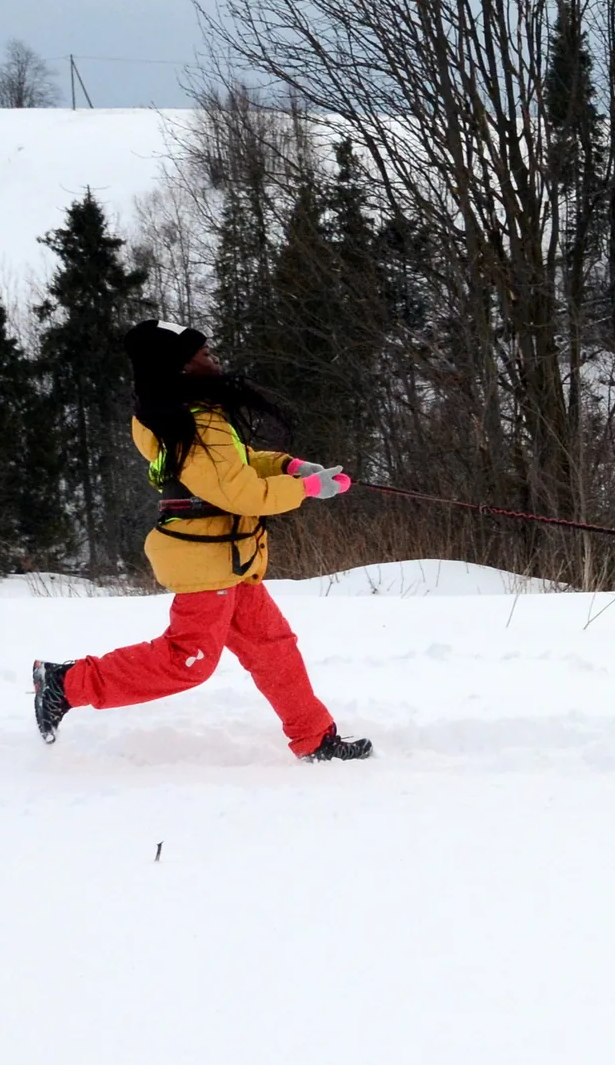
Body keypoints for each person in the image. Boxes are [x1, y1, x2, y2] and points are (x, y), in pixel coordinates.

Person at [30, 320, 372, 761]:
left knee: (273, 650)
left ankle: (315, 739)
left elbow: (239, 464)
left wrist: (290, 467)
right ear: (180, 367)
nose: (215, 359)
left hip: (230, 557)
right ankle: (66, 683)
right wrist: (306, 490)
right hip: (207, 560)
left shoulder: (183, 415)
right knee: (185, 660)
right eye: (203, 355)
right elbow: (238, 491)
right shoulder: (193, 422)